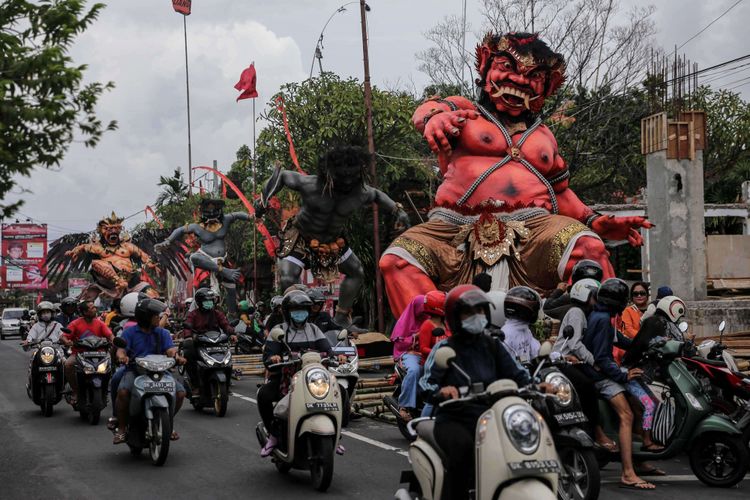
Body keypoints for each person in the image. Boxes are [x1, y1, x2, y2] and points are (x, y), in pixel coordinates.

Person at [255, 145, 410, 331]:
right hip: (300, 238)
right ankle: (296, 324)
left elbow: (377, 195)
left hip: (332, 241)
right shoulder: (311, 185)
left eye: (352, 178)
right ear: (330, 174)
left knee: (356, 271)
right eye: (342, 178)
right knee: (288, 277)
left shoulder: (360, 193)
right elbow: (283, 176)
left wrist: (397, 210)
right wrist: (264, 198)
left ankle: (341, 319)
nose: (347, 182)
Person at [420, 285, 538, 499]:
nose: (477, 316)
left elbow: (518, 373)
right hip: (454, 419)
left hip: (492, 418)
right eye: (469, 312)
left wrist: (539, 385)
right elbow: (426, 383)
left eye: (481, 310)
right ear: (455, 317)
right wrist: (442, 391)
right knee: (463, 450)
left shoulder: (493, 345)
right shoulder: (445, 349)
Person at [581, 278, 655, 490]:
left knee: (638, 405)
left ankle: (639, 461)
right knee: (627, 415)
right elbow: (602, 359)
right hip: (599, 377)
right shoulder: (603, 319)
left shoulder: (604, 315)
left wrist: (642, 344)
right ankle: (628, 473)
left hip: (602, 371)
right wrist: (624, 375)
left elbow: (618, 339)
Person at [258, 290, 345, 456]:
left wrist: (337, 356)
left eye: (304, 310)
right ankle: (273, 435)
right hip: (286, 377)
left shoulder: (314, 329)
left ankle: (336, 436)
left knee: (341, 392)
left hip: (314, 378)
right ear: (287, 312)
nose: (300, 314)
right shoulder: (279, 330)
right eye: (296, 310)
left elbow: (327, 349)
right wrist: (274, 358)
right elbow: (269, 356)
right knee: (264, 395)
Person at [551, 278, 618, 451]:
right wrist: (593, 361)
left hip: (574, 361)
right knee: (588, 386)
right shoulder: (576, 312)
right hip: (562, 360)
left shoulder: (589, 315)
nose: (599, 300)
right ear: (586, 295)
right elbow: (574, 344)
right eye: (596, 296)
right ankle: (597, 432)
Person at [112, 298, 186, 444]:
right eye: (155, 315)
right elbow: (121, 350)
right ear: (146, 317)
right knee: (123, 392)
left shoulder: (162, 333)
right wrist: (122, 357)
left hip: (160, 371)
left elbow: (170, 349)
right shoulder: (129, 332)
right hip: (136, 371)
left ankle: (168, 425)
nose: (159, 317)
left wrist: (177, 357)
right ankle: (121, 428)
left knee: (180, 393)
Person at [181, 288, 236, 395]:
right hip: (200, 342)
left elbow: (225, 325)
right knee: (188, 353)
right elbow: (187, 326)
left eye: (211, 301)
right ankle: (195, 384)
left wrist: (232, 333)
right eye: (206, 301)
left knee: (228, 359)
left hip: (217, 341)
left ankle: (227, 384)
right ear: (199, 302)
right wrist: (188, 337)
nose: (209, 303)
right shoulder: (193, 314)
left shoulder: (217, 313)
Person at [60, 300, 114, 406]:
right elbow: (63, 336)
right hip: (80, 354)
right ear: (84, 312)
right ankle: (75, 391)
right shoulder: (76, 323)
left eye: (94, 307)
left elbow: (110, 335)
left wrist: (114, 340)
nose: (95, 309)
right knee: (68, 365)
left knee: (110, 367)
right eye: (92, 308)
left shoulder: (100, 323)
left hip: (100, 355)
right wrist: (67, 341)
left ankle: (105, 390)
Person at [390, 294, 429, 422]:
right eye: (422, 311)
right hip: (409, 353)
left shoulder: (432, 321)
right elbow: (399, 342)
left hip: (428, 353)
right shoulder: (405, 322)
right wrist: (415, 337)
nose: (424, 314)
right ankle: (404, 406)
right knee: (414, 371)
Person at [107, 291, 142, 429]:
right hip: (132, 366)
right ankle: (117, 416)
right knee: (116, 378)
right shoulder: (126, 328)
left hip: (154, 367)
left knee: (178, 391)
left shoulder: (157, 328)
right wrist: (122, 356)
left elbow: (168, 347)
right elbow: (120, 347)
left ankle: (169, 425)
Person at [416, 290, 449, 417]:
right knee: (433, 397)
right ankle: (422, 428)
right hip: (431, 365)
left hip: (446, 363)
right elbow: (423, 348)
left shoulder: (445, 324)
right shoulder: (427, 325)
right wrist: (439, 353)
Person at [500, 286, 541, 362]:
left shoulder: (525, 330)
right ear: (525, 310)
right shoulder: (507, 334)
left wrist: (555, 355)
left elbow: (537, 350)